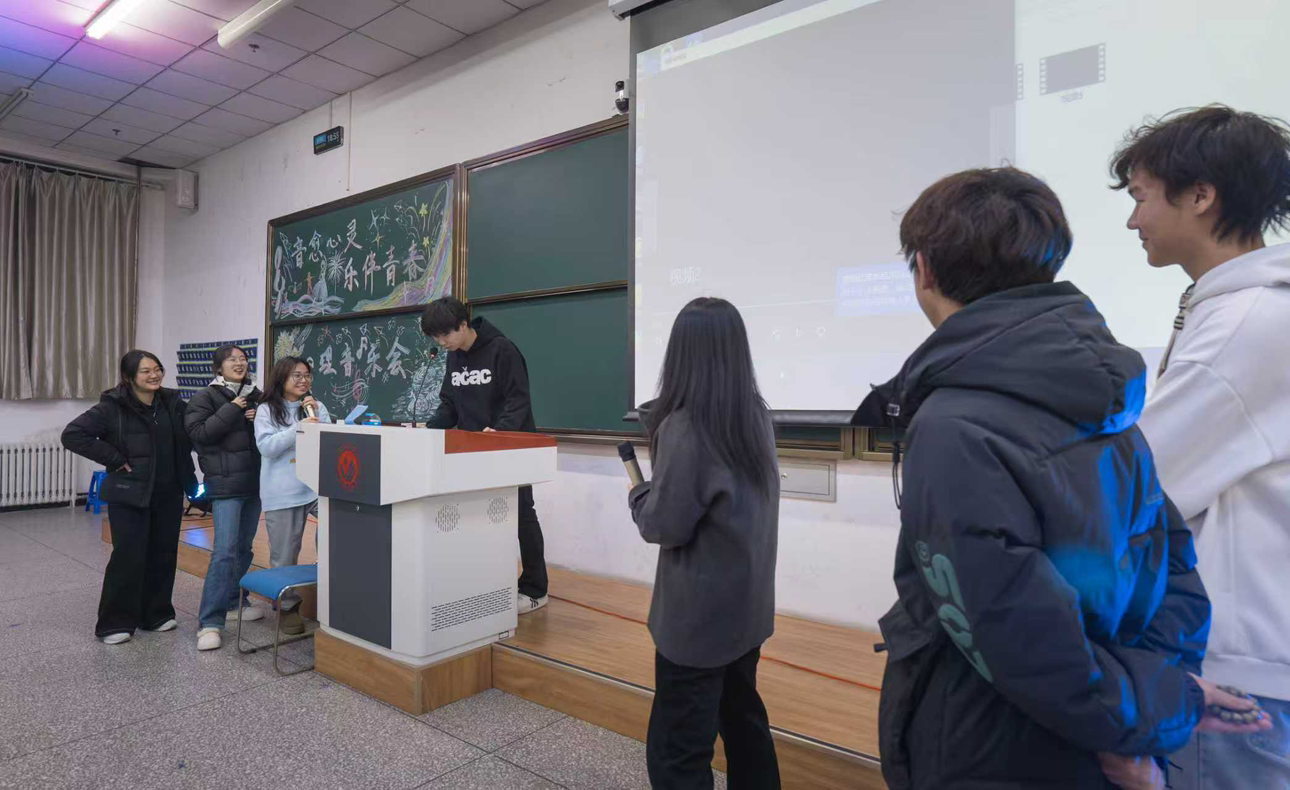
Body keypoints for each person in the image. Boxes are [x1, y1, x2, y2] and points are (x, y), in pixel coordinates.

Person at [849, 167, 1269, 790]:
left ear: (925, 271)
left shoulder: (953, 424)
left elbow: (1008, 626)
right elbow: (1172, 562)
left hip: (994, 743)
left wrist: (1128, 722)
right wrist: (1149, 706)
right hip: (1090, 738)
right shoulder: (1108, 398)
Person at [1110, 105, 1290, 790]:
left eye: (1141, 198)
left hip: (1241, 667)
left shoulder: (1247, 323)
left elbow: (1141, 482)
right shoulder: (1240, 309)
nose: (1134, 221)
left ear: (1201, 195)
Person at [628, 297, 781, 790]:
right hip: (746, 610)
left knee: (678, 751)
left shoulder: (686, 426)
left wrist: (639, 496)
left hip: (697, 623)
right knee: (745, 725)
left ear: (679, 353)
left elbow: (663, 525)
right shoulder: (756, 415)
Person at [420, 296, 548, 614]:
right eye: (436, 337)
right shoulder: (454, 357)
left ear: (463, 324)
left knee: (521, 515)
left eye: (445, 334)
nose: (442, 342)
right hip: (473, 452)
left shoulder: (502, 349)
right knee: (478, 516)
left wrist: (499, 431)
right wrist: (428, 431)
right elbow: (449, 404)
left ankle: (536, 589)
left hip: (510, 447)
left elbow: (518, 400)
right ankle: (488, 582)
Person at [62, 350, 198, 645]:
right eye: (145, 371)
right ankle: (114, 623)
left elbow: (198, 426)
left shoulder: (172, 403)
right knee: (128, 557)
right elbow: (72, 434)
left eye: (157, 369)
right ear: (129, 376)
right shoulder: (112, 406)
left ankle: (156, 614)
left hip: (169, 492)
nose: (154, 375)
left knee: (163, 554)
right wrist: (113, 458)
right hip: (129, 494)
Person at [185, 345, 264, 651]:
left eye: (243, 359)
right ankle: (209, 622)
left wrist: (259, 418)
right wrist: (233, 408)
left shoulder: (257, 395)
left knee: (244, 549)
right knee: (224, 552)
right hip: (225, 485)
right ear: (219, 367)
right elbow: (200, 434)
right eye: (232, 360)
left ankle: (233, 602)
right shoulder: (205, 397)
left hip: (255, 483)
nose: (239, 363)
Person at [254, 356, 329, 636]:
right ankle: (287, 607)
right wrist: (300, 427)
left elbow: (329, 440)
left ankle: (331, 594)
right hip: (283, 491)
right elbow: (267, 448)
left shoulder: (315, 406)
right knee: (284, 555)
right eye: (297, 375)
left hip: (316, 487)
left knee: (337, 532)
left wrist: (318, 419)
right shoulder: (266, 410)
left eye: (307, 375)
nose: (304, 380)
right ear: (282, 378)